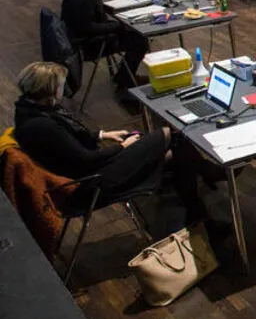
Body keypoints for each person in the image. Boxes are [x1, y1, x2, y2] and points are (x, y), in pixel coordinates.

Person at [13, 62, 205, 222]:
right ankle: (207, 177)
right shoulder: (43, 126)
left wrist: (102, 135)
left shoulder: (28, 112)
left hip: (85, 173)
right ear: (52, 90)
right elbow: (86, 159)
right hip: (91, 183)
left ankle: (197, 211)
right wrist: (122, 147)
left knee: (178, 153)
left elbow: (69, 141)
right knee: (168, 134)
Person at [58, 0, 148, 89]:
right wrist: (118, 26)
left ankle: (124, 76)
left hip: (91, 35)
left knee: (133, 33)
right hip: (89, 44)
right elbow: (87, 28)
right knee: (139, 40)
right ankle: (125, 81)